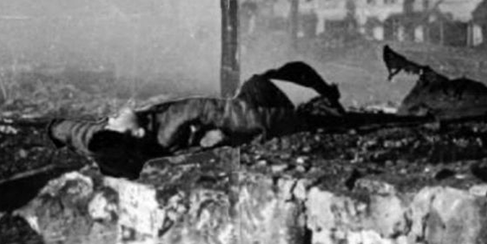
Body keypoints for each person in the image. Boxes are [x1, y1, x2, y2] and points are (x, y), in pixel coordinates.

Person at [47, 61, 343, 179]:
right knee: (261, 81)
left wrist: (53, 130)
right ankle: (324, 101)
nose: (109, 118)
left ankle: (323, 98)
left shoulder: (107, 144)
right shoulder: (177, 120)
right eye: (113, 122)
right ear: (137, 136)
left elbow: (79, 133)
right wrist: (307, 122)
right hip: (254, 110)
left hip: (228, 122)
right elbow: (240, 116)